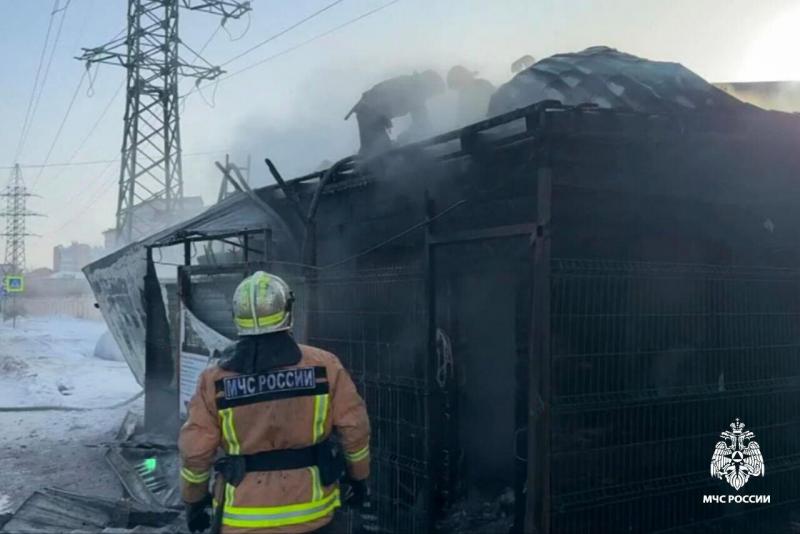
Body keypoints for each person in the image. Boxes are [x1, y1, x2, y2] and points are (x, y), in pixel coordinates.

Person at [178, 271, 373, 533]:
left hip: (243, 520)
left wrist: (194, 501)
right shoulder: (324, 365)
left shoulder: (214, 379)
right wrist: (358, 479)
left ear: (237, 317)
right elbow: (355, 430)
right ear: (288, 311)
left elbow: (195, 452)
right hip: (313, 515)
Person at [345, 70, 445, 156]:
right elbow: (421, 122)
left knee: (376, 151)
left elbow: (421, 122)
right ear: (429, 85)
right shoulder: (415, 89)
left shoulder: (413, 85)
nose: (430, 96)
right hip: (369, 113)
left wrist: (405, 137)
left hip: (369, 112)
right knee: (379, 153)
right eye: (433, 93)